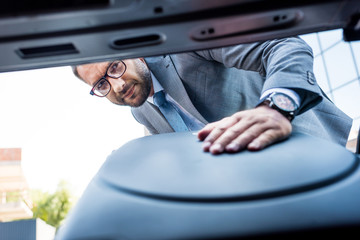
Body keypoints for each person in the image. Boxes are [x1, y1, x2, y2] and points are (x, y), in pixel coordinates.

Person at [72, 37, 352, 155]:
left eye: (114, 67)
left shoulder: (185, 46)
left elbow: (285, 46)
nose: (118, 85)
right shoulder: (141, 110)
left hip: (313, 155)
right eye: (101, 84)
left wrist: (276, 108)